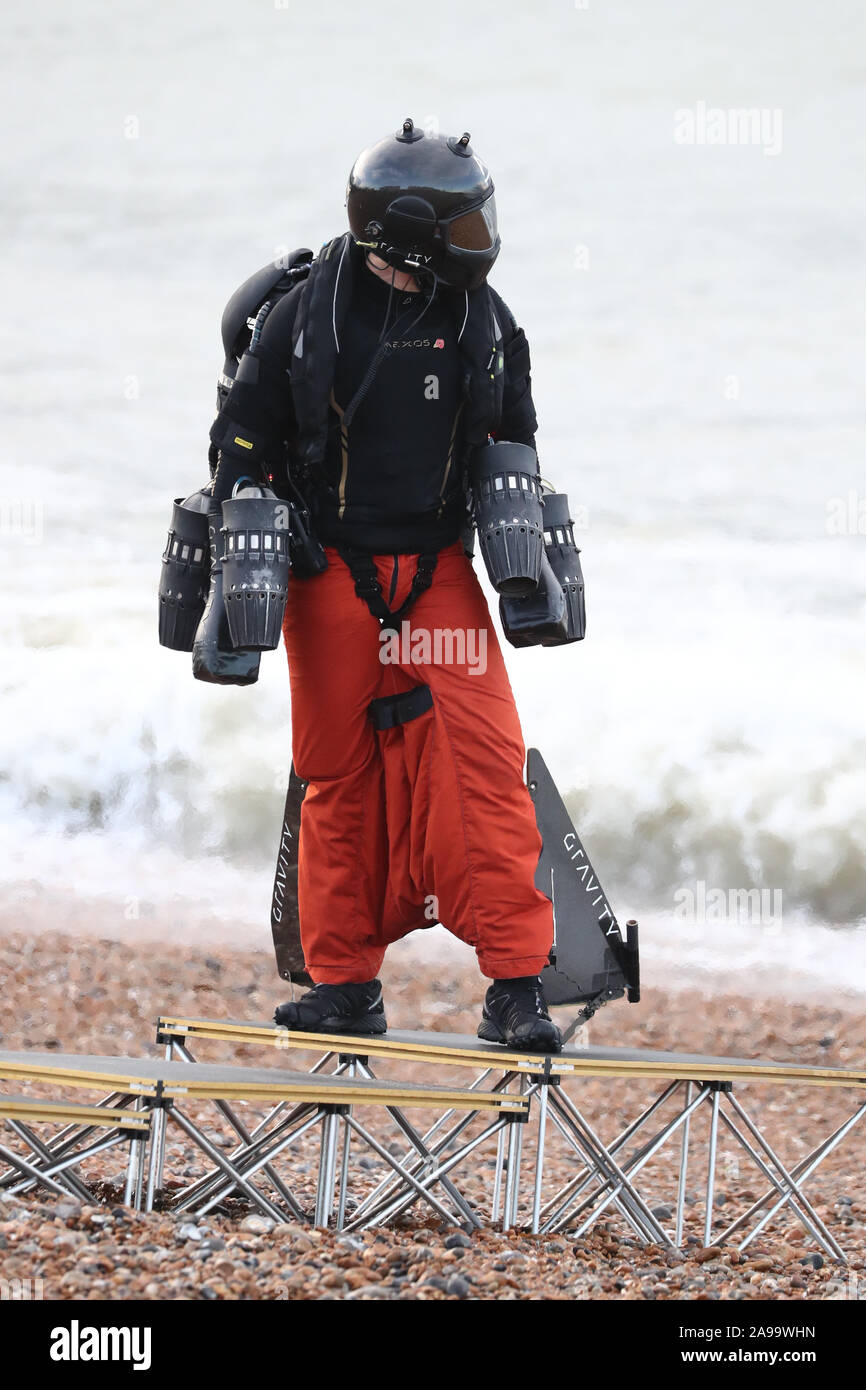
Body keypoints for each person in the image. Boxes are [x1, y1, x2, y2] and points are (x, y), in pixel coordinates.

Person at [207, 119, 562, 1051]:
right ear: (411, 229)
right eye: (465, 224)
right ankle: (344, 984)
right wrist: (242, 519)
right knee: (335, 774)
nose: (479, 240)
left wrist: (537, 570)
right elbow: (240, 439)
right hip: (332, 574)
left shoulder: (482, 319)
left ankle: (518, 987)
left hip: (438, 575)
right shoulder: (304, 313)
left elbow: (513, 438)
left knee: (487, 760)